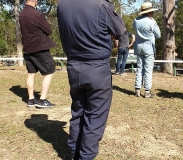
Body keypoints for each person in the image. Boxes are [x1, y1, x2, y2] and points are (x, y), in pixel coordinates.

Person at [57, 0, 125, 159]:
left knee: (78, 111)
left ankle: (74, 152)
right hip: (97, 67)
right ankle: (86, 156)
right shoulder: (101, 5)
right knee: (95, 117)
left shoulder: (62, 4)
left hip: (73, 66)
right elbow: (120, 30)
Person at [19, 0, 56, 108]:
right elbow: (49, 30)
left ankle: (31, 99)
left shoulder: (21, 14)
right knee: (50, 71)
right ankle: (42, 100)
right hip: (39, 48)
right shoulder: (37, 14)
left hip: (27, 48)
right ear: (35, 1)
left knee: (31, 73)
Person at [132, 2, 161, 98]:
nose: (153, 13)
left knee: (140, 68)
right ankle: (147, 91)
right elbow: (158, 35)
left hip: (138, 47)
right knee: (148, 69)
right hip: (148, 47)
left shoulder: (135, 21)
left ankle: (137, 89)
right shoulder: (151, 21)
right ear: (148, 13)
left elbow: (134, 29)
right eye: (152, 12)